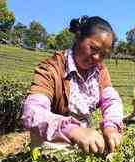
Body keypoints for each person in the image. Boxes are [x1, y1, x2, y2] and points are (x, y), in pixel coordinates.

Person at [21, 15, 124, 154]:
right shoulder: (51, 69)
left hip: (85, 141)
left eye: (103, 54)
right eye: (93, 48)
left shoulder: (99, 70)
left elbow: (111, 100)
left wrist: (111, 125)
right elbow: (32, 112)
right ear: (78, 37)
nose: (96, 58)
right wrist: (73, 130)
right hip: (51, 142)